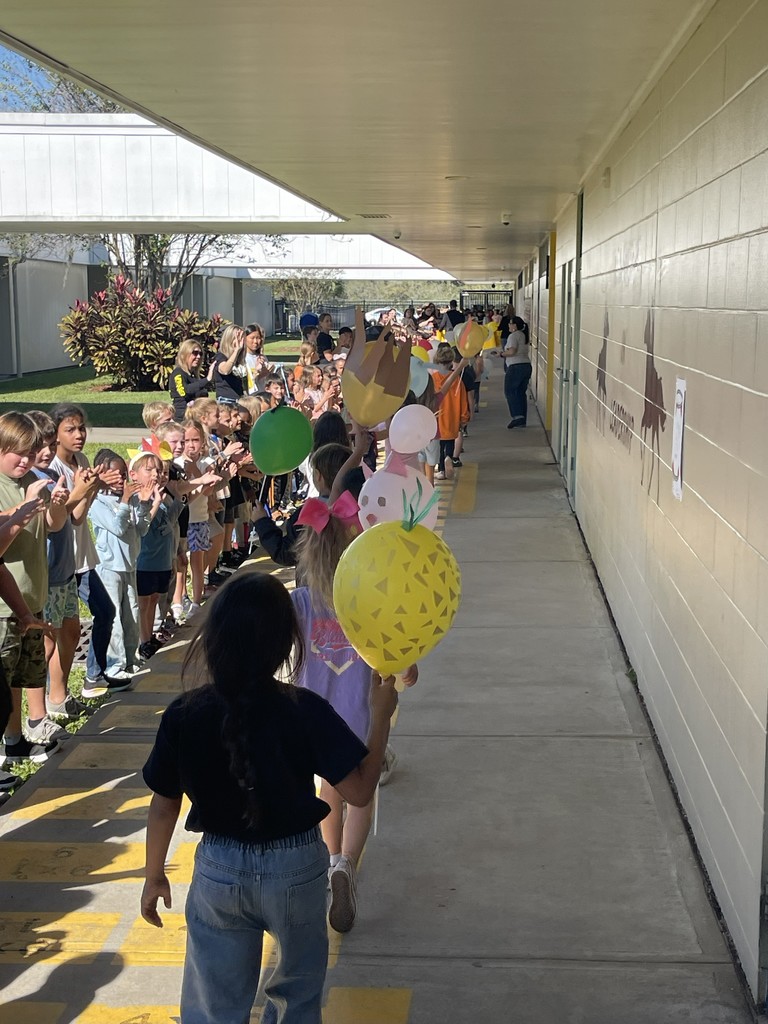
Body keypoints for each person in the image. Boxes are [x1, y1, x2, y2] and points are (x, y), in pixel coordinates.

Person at [141, 572, 396, 1024]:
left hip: (218, 869)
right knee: (297, 996)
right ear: (285, 645)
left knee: (214, 1001)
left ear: (214, 639)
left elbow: (163, 805)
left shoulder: (184, 714)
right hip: (296, 869)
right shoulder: (305, 708)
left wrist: (154, 874)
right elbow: (358, 790)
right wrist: (380, 716)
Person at [292, 503, 417, 934]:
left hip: (312, 718)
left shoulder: (301, 603)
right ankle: (347, 864)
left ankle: (329, 862)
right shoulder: (369, 605)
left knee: (328, 787)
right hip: (362, 716)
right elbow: (407, 671)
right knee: (361, 793)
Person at [0, 411, 72, 762]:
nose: (27, 460)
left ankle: (16, 740)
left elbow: (52, 526)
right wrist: (26, 506)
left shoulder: (35, 479)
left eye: (32, 452)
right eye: (19, 452)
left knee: (23, 674)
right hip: (5, 605)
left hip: (32, 596)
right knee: (4, 678)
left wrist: (56, 507)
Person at [49, 403, 126, 693]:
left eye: (81, 428)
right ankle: (58, 691)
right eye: (70, 429)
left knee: (104, 612)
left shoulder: (80, 460)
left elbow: (81, 516)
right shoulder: (52, 468)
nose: (79, 434)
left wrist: (93, 487)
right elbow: (69, 515)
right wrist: (89, 487)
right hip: (63, 562)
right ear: (55, 434)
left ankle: (94, 676)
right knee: (59, 632)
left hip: (82, 556)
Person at [88, 449, 161, 679]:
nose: (121, 480)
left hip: (129, 565)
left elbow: (141, 528)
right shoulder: (97, 502)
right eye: (115, 475)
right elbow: (118, 528)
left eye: (123, 474)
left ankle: (131, 660)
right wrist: (127, 501)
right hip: (109, 567)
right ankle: (114, 665)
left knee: (132, 616)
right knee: (116, 619)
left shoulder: (127, 500)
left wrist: (144, 504)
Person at [430, 348, 470, 479]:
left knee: (439, 446)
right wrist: (464, 418)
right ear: (451, 361)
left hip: (437, 419)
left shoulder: (433, 379)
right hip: (452, 418)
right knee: (449, 443)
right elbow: (463, 400)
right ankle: (449, 457)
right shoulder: (457, 380)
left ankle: (441, 469)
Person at [169, 340, 215, 420]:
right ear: (184, 354)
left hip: (195, 417)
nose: (198, 357)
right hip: (183, 419)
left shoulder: (194, 376)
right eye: (195, 353)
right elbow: (184, 392)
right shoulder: (178, 373)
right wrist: (207, 379)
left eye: (200, 354)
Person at [503, 316, 532, 428]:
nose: (508, 326)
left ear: (515, 325)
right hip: (526, 365)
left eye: (510, 324)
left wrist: (501, 354)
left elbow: (512, 351)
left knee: (509, 391)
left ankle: (517, 416)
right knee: (520, 392)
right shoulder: (524, 335)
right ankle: (522, 418)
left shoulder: (513, 336)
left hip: (515, 366)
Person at [214, 325, 248, 404]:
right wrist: (236, 350)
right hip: (226, 401)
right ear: (229, 340)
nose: (241, 343)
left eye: (242, 339)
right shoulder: (221, 357)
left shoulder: (238, 360)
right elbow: (225, 371)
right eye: (238, 339)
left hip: (238, 400)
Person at [243, 323, 274, 395]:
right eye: (252, 338)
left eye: (258, 338)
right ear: (245, 338)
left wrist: (270, 372)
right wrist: (259, 373)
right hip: (251, 397)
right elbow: (247, 383)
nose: (256, 341)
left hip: (264, 396)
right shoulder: (243, 358)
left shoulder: (262, 357)